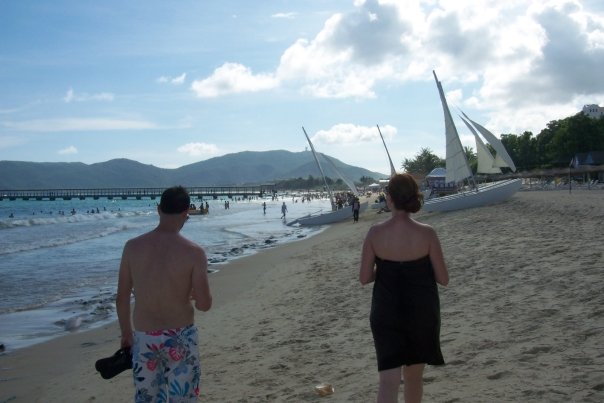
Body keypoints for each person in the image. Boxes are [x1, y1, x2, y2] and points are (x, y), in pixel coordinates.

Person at [116, 185, 212, 402]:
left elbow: (121, 297)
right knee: (183, 398)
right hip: (181, 337)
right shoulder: (194, 252)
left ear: (158, 209)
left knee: (148, 398)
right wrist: (196, 294)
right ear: (187, 211)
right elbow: (205, 305)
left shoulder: (132, 247)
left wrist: (126, 334)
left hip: (144, 337)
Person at [359, 173, 449, 403]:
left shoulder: (375, 233)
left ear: (389, 198)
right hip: (421, 312)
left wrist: (387, 269)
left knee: (388, 382)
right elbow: (443, 278)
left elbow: (364, 277)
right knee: (414, 379)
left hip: (386, 312)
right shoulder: (427, 233)